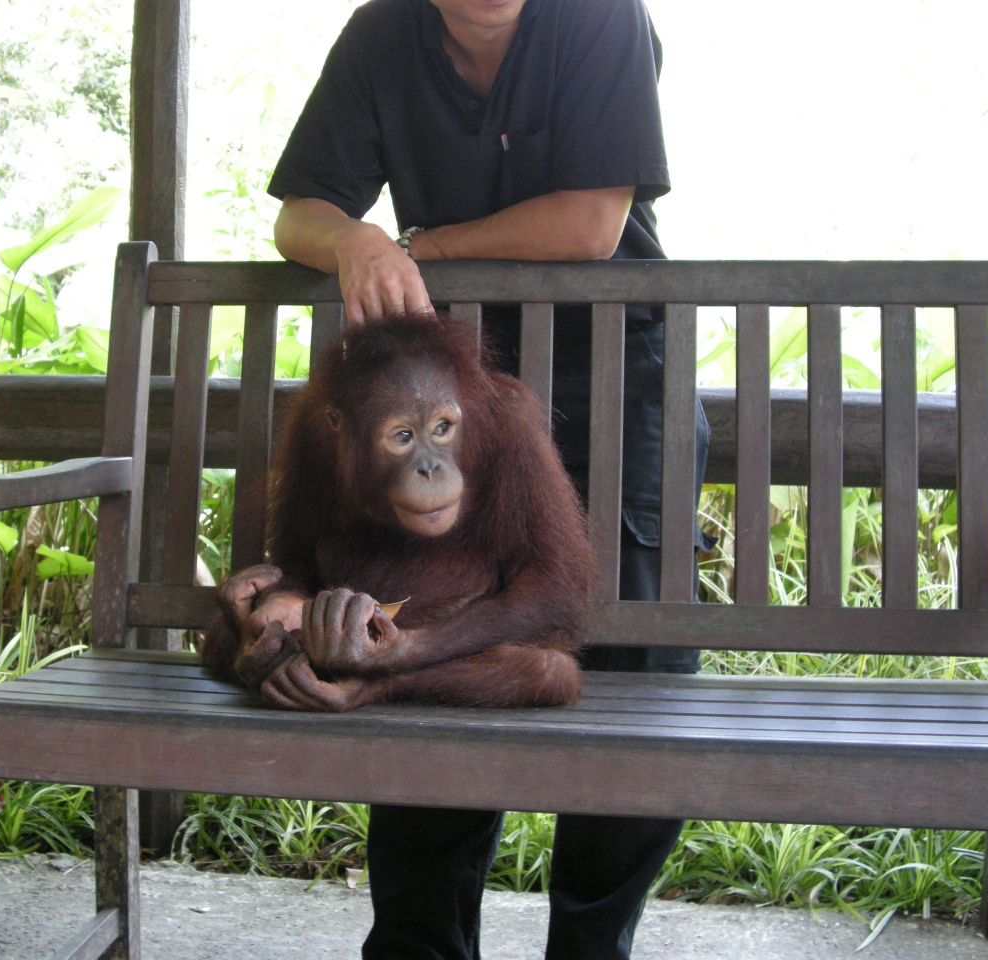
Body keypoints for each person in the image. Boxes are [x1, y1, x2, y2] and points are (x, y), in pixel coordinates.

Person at [266, 0, 710, 957]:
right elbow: (299, 212)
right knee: (413, 626)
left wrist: (415, 247)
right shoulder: (383, 34)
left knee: (633, 670)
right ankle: (419, 945)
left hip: (615, 382)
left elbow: (591, 225)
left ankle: (592, 945)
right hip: (443, 396)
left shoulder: (598, 17)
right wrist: (353, 241)